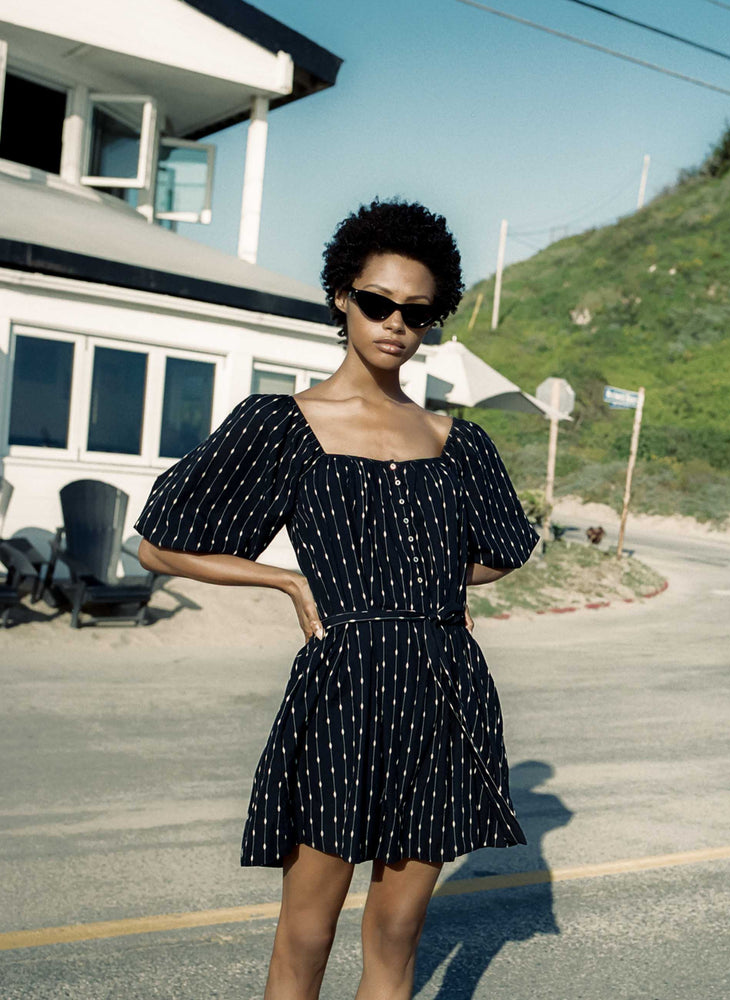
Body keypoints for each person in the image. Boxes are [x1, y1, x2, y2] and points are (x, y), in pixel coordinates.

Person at [134, 197, 539, 1000]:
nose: (396, 324)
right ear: (341, 297)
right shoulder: (283, 423)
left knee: (396, 932)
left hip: (443, 693)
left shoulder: (457, 440)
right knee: (307, 933)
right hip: (341, 692)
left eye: (417, 313)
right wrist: (285, 578)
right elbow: (159, 542)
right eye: (379, 302)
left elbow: (504, 551)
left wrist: (423, 587)